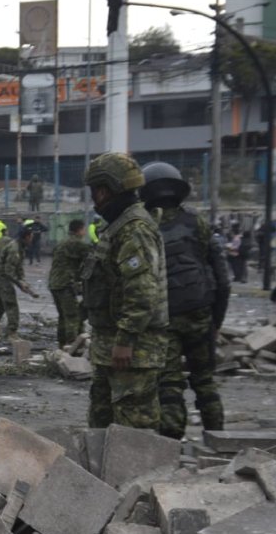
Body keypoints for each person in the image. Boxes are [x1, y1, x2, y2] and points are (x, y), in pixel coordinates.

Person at [139, 162, 230, 440]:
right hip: (201, 313)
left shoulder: (143, 228)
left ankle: (171, 441)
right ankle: (218, 437)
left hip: (163, 317)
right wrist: (216, 319)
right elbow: (222, 278)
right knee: (204, 380)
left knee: (169, 383)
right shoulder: (197, 223)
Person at [82, 153, 168, 432]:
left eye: (95, 191)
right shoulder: (119, 227)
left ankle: (138, 478)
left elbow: (142, 291)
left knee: (134, 430)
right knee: (102, 424)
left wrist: (126, 339)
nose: (94, 198)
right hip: (111, 346)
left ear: (105, 190)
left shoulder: (134, 230)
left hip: (133, 351)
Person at [0, 224, 39, 341]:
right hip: (2, 279)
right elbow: (8, 271)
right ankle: (12, 333)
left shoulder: (20, 247)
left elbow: (19, 268)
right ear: (27, 237)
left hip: (3, 279)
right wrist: (20, 284)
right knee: (11, 306)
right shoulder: (14, 249)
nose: (32, 239)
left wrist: (23, 281)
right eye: (31, 236)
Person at [48, 219, 92, 347]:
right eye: (84, 229)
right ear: (80, 230)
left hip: (54, 283)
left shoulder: (61, 243)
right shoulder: (79, 244)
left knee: (63, 316)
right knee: (73, 315)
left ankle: (62, 343)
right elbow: (92, 261)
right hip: (66, 284)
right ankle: (72, 344)